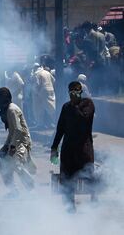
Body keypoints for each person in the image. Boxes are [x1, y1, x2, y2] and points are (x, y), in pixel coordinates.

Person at [50, 81, 96, 213]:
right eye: (71, 93)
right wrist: (54, 148)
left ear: (81, 92)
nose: (73, 95)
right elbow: (60, 129)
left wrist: (75, 106)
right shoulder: (66, 107)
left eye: (76, 92)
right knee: (66, 180)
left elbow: (84, 120)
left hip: (83, 150)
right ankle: (70, 208)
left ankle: (94, 205)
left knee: (88, 178)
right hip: (68, 150)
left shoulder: (88, 104)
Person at [0, 87, 36, 198]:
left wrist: (11, 148)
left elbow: (18, 130)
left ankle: (31, 189)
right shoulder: (8, 109)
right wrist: (5, 146)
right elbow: (12, 132)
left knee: (15, 163)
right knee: (2, 164)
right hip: (16, 140)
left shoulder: (12, 110)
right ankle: (13, 191)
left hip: (22, 142)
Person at [32, 64, 56, 129]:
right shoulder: (47, 72)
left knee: (38, 108)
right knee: (51, 107)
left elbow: (37, 84)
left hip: (41, 91)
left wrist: (36, 92)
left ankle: (40, 124)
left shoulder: (37, 73)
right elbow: (53, 80)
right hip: (50, 90)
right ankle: (55, 121)